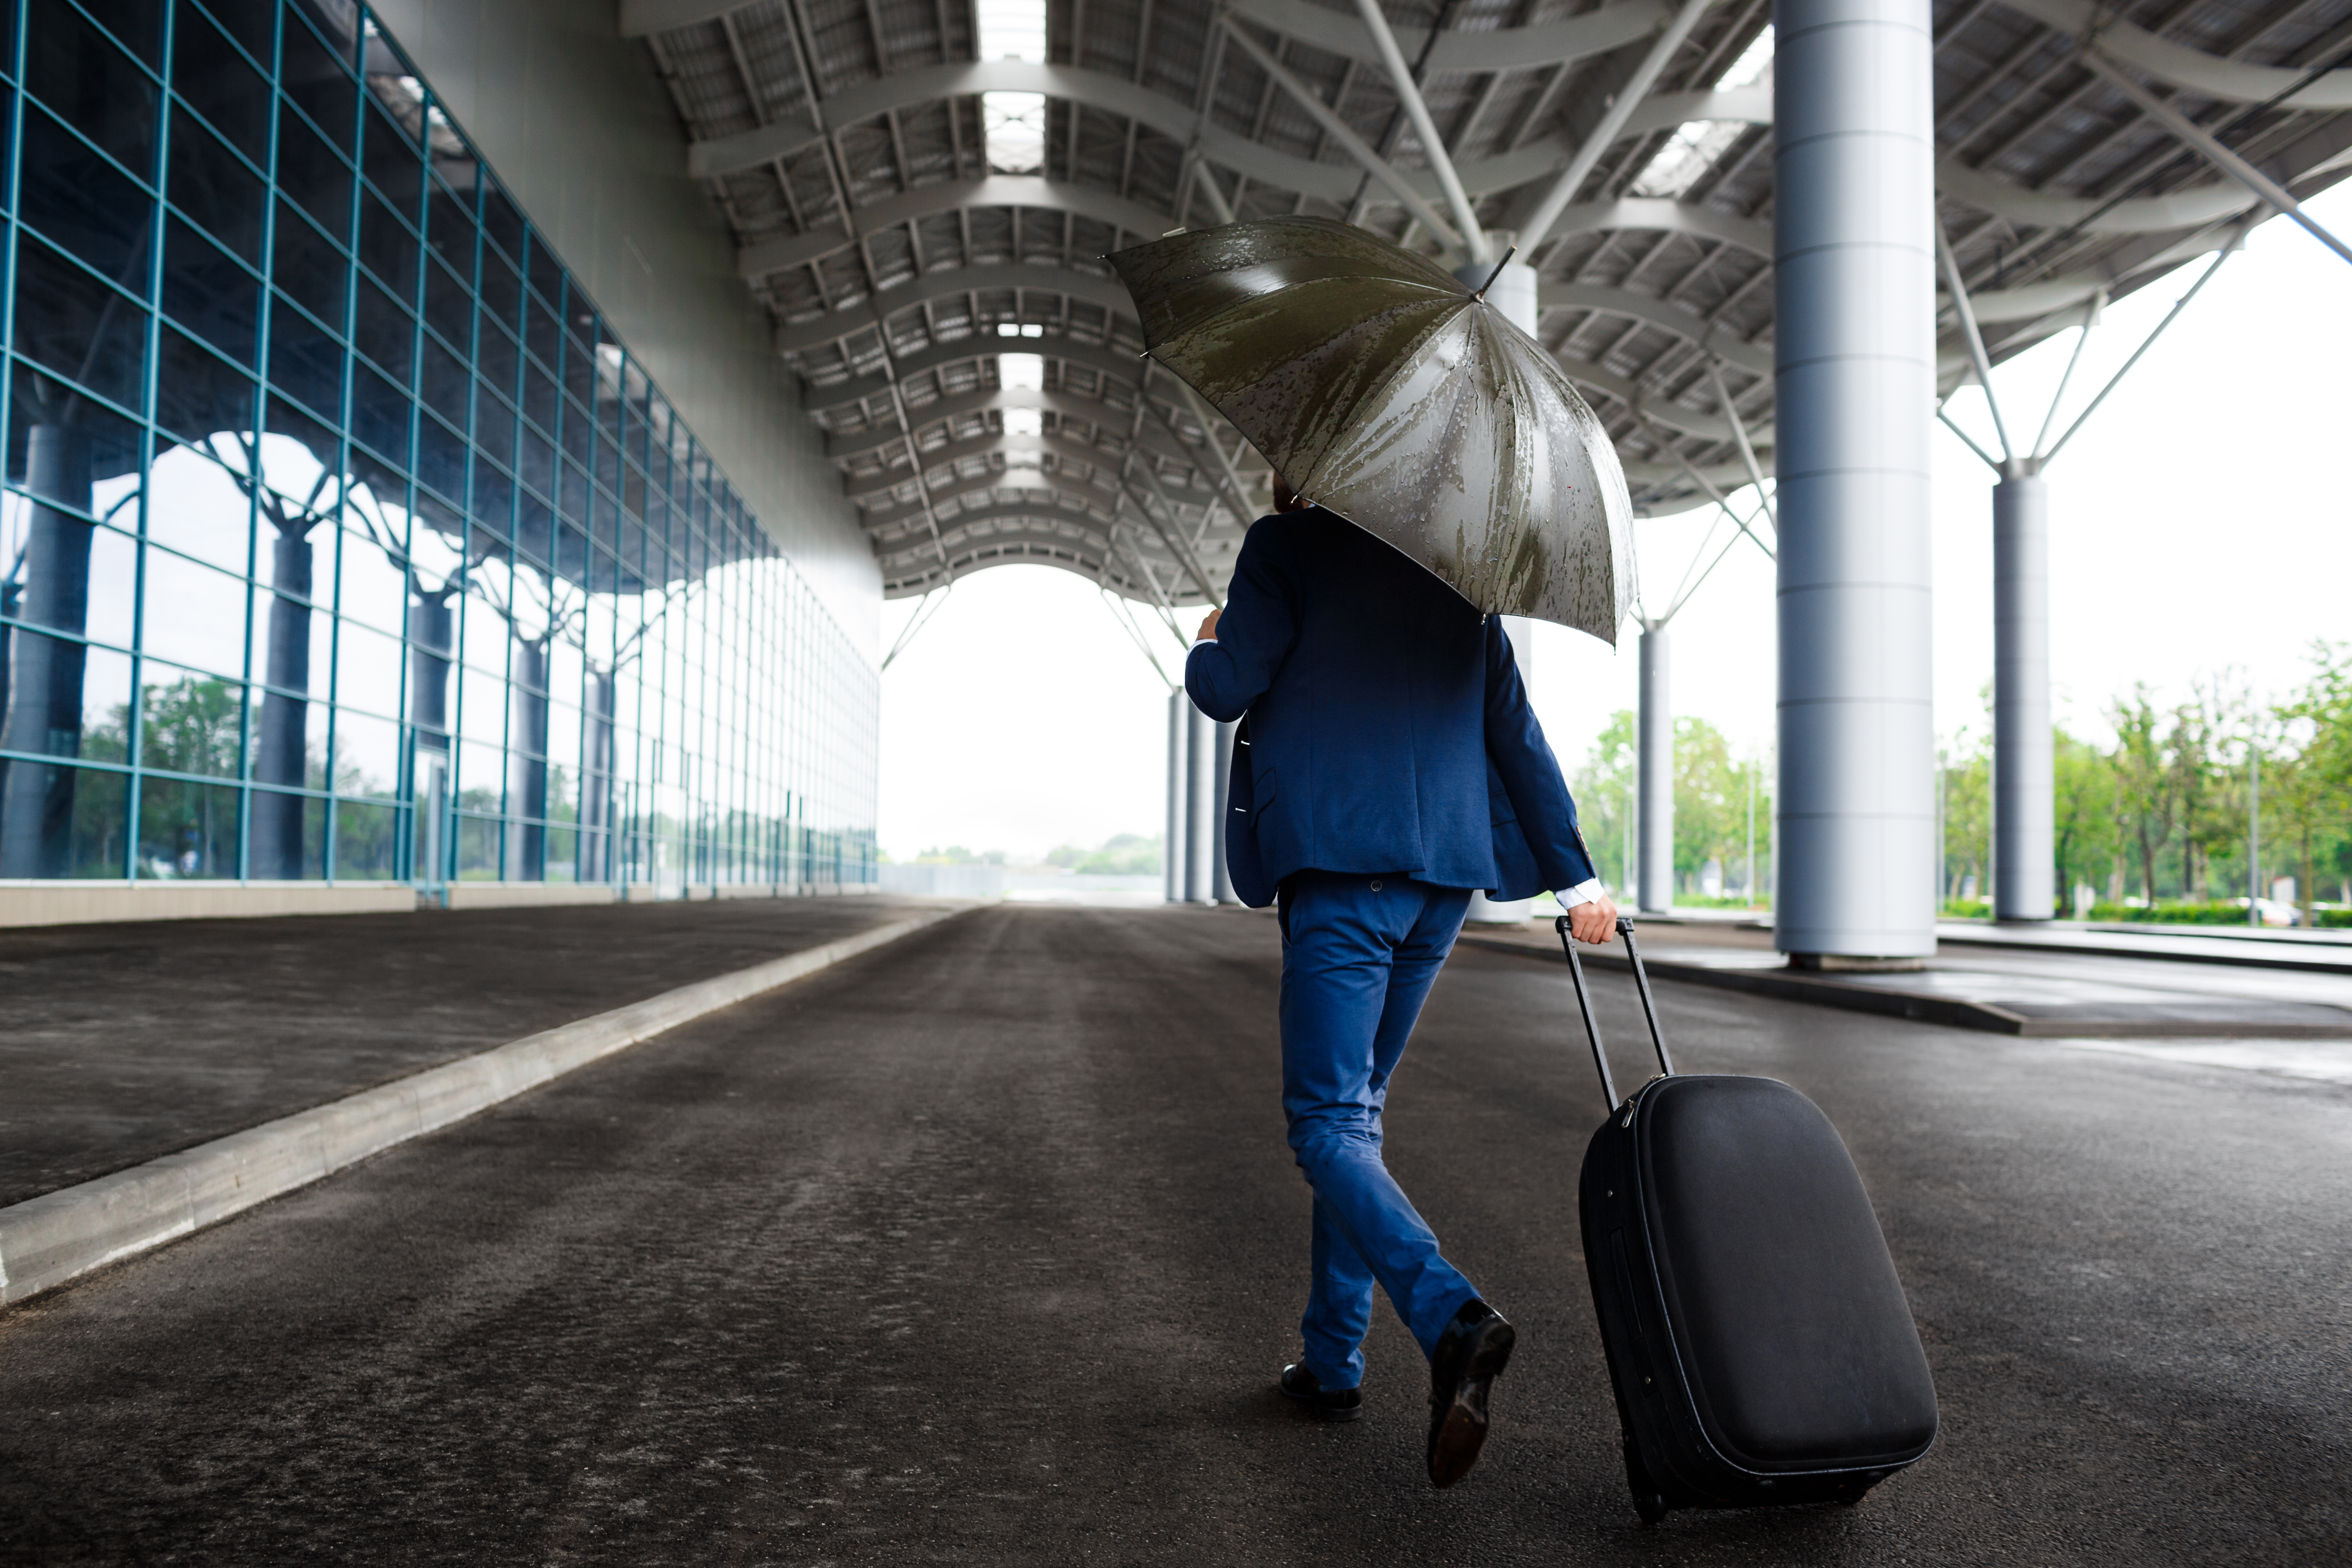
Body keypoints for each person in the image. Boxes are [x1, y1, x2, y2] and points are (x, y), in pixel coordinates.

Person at [1186, 477, 1618, 1490]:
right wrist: (1578, 880)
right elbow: (1515, 732)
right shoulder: (1460, 578)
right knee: (1357, 1120)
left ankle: (1452, 1316)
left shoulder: (1284, 549)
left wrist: (1211, 632)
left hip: (1342, 870)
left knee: (1326, 1126)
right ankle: (1333, 1363)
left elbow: (1223, 688)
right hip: (1443, 886)